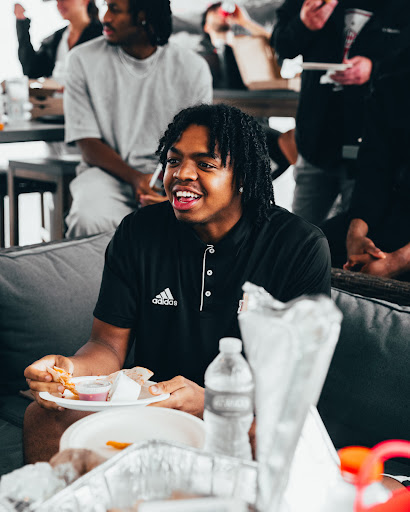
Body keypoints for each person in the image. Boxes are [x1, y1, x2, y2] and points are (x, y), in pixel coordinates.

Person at [23, 103, 331, 463]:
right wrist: (69, 371)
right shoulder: (139, 232)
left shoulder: (298, 246)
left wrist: (210, 403)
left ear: (243, 176)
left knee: (263, 436)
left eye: (205, 164)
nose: (182, 173)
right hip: (153, 411)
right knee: (42, 417)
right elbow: (106, 345)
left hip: (240, 418)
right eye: (173, 160)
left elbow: (295, 388)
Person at [63, 0, 213, 238]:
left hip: (173, 176)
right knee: (88, 218)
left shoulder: (192, 68)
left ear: (143, 16)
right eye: (106, 7)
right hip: (106, 174)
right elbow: (87, 143)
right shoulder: (81, 60)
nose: (105, 17)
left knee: (192, 228)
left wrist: (169, 184)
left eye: (114, 9)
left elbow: (197, 144)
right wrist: (136, 179)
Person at [272, 0, 410, 225]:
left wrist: (374, 69)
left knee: (358, 232)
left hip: (374, 144)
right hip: (316, 138)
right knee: (299, 231)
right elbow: (281, 45)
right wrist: (302, 24)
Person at [322, 46, 410, 280]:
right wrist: (356, 233)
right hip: (392, 213)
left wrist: (397, 261)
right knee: (305, 249)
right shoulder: (392, 85)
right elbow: (374, 170)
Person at [199, 2, 298, 179]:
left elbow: (281, 46)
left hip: (254, 124)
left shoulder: (249, 51)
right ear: (206, 26)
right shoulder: (200, 59)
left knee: (289, 145)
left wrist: (245, 22)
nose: (220, 13)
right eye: (213, 11)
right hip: (218, 128)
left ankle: (251, 189)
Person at [14, 0, 102, 84]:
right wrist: (22, 26)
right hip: (55, 95)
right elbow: (32, 71)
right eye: (57, 0)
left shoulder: (102, 36)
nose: (59, 5)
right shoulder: (55, 39)